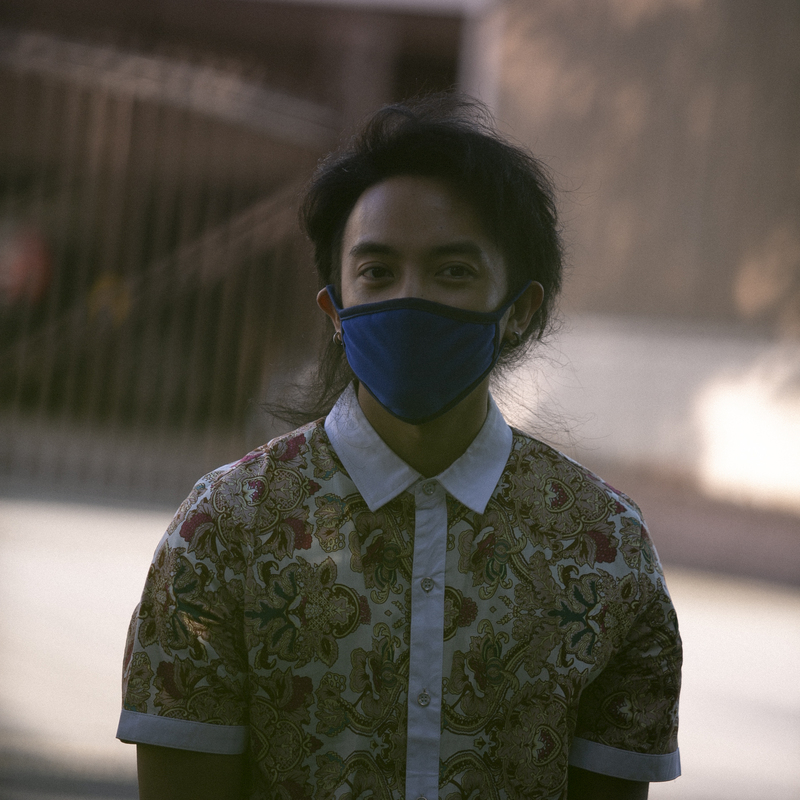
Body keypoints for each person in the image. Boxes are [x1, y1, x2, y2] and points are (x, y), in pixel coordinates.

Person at [117, 94, 682, 800]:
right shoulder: (224, 528)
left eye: (453, 271)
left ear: (520, 310)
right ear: (335, 310)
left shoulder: (605, 547)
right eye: (378, 272)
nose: (411, 300)